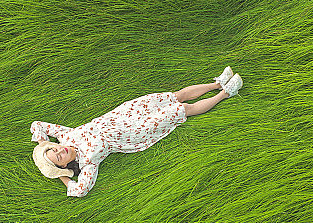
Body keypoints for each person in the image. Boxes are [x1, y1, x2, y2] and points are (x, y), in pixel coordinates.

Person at [30, 67, 243, 197]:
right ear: (64, 165)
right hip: (136, 132)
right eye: (58, 158)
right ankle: (226, 93)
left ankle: (216, 84)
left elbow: (37, 125)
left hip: (126, 112)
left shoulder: (66, 135)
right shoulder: (88, 163)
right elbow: (79, 190)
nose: (60, 150)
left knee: (175, 96)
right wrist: (63, 176)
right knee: (182, 110)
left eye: (54, 148)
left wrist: (42, 146)